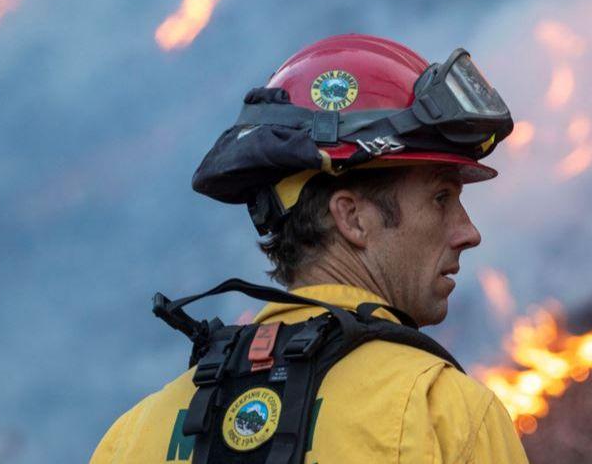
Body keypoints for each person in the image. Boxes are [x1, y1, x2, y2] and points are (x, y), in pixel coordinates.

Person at [91, 34, 529, 463]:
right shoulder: (445, 417)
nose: (468, 232)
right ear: (352, 217)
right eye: (441, 199)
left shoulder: (131, 439)